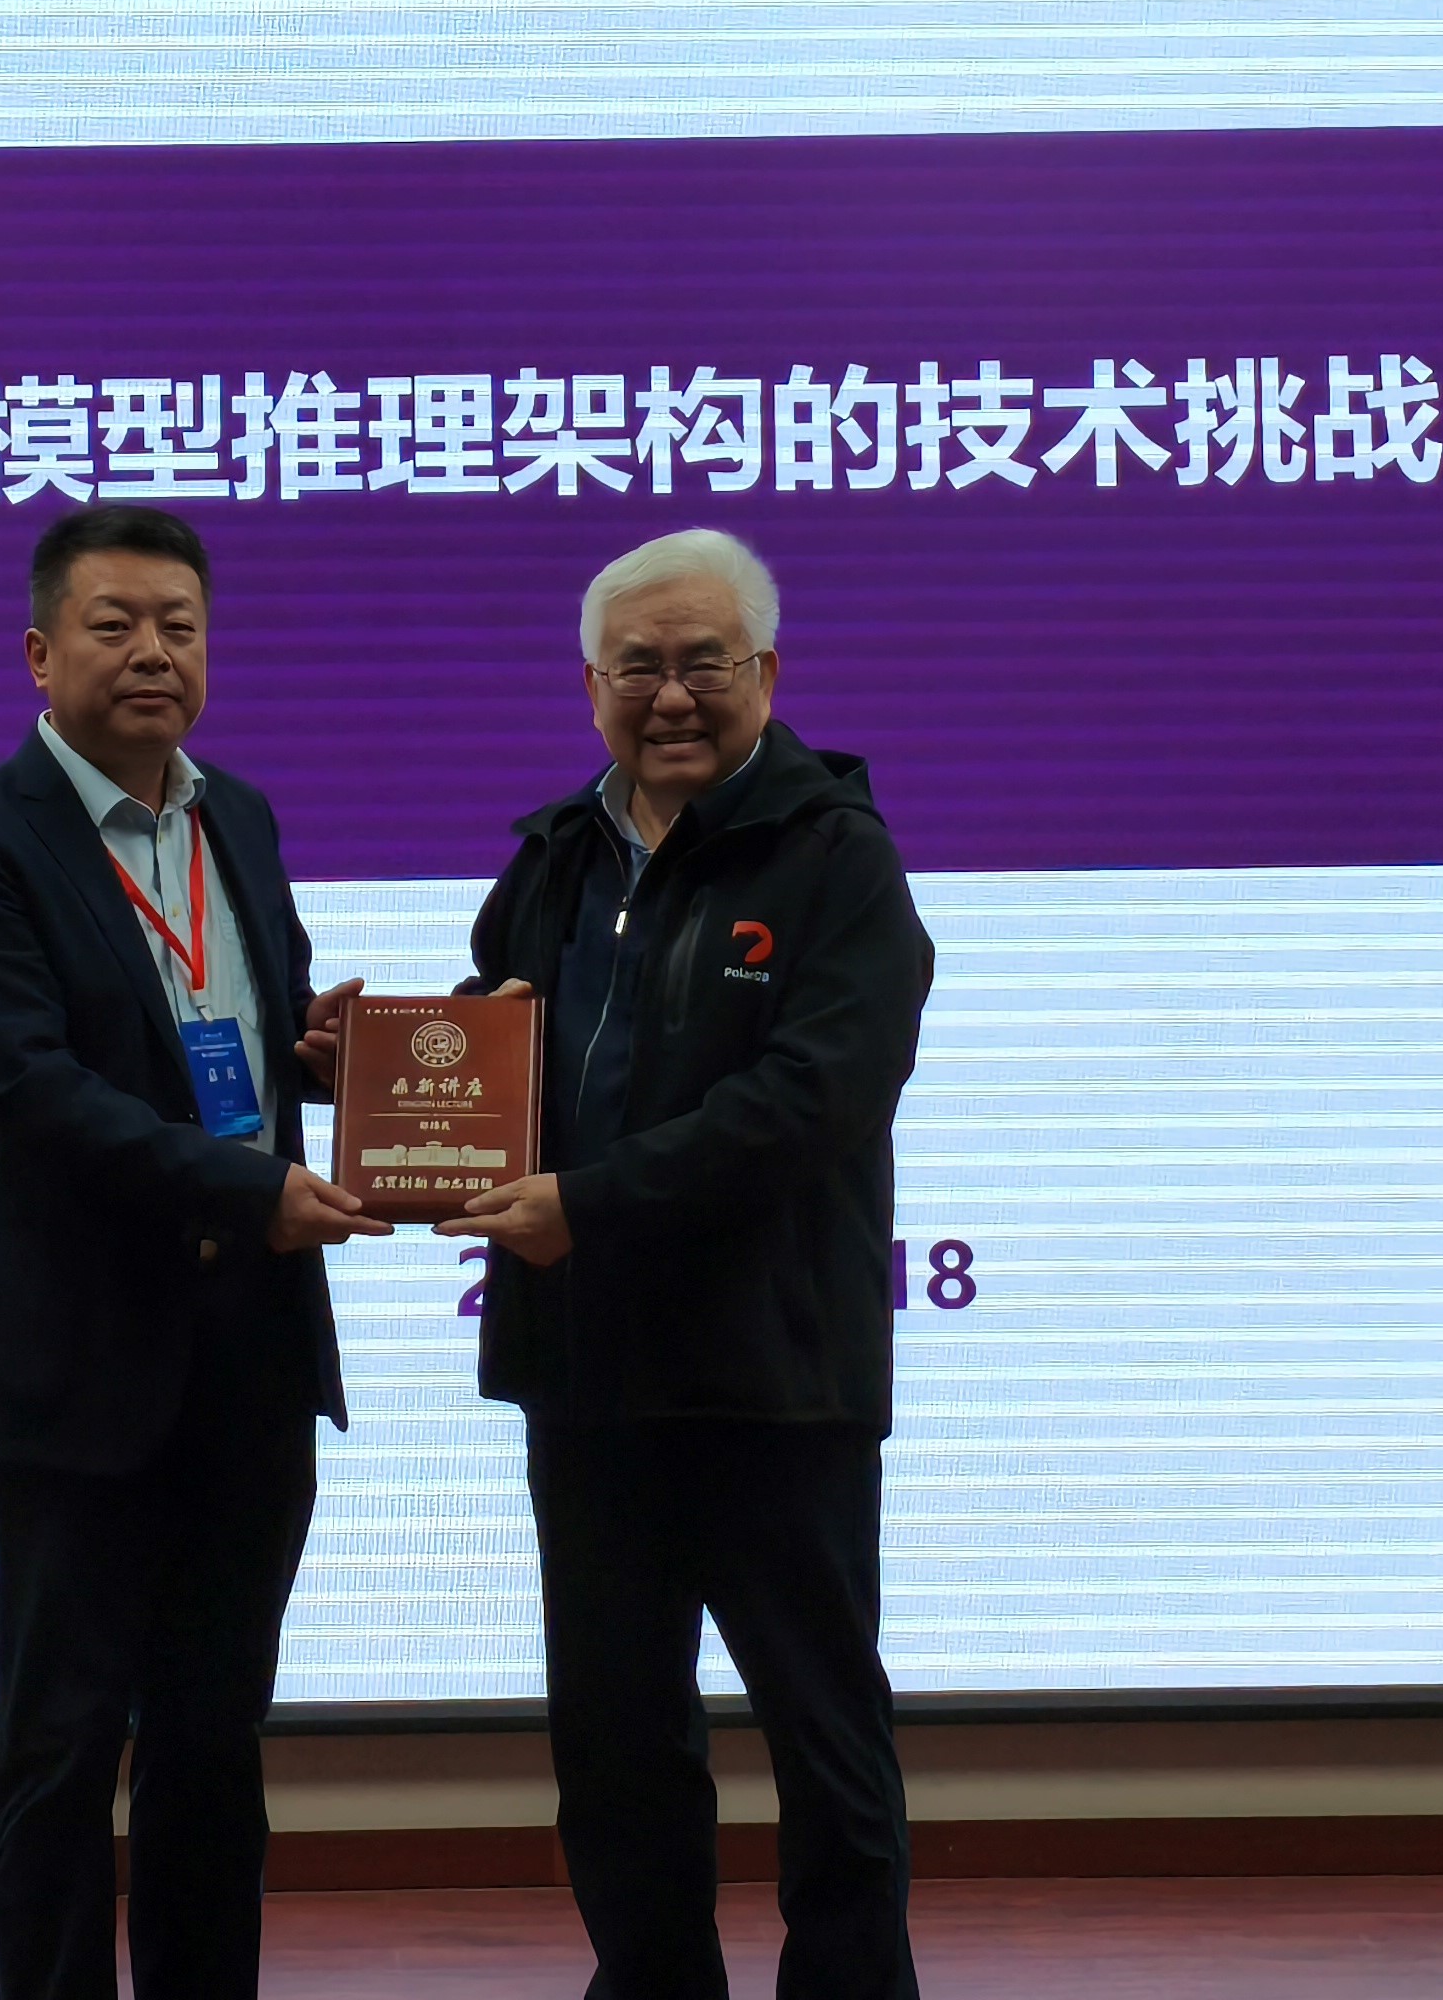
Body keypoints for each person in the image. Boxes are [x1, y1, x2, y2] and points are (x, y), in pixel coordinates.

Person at [442, 528, 933, 2000]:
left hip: (773, 1375)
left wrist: (592, 1204)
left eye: (703, 663)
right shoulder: (555, 856)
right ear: (591, 684)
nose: (670, 695)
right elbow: (497, 1039)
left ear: (764, 674)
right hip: (588, 1372)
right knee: (613, 1735)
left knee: (821, 1727)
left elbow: (810, 1102)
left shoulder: (839, 859)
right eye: (637, 666)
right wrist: (374, 1071)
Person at [0, 504, 382, 2000]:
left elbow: (218, 1050)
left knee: (214, 1743)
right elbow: (34, 1095)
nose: (152, 653)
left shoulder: (241, 819)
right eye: (113, 625)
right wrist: (247, 1188)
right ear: (41, 655)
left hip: (251, 1355)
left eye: (179, 625)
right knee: (61, 1750)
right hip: (79, 1367)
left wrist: (319, 1061)